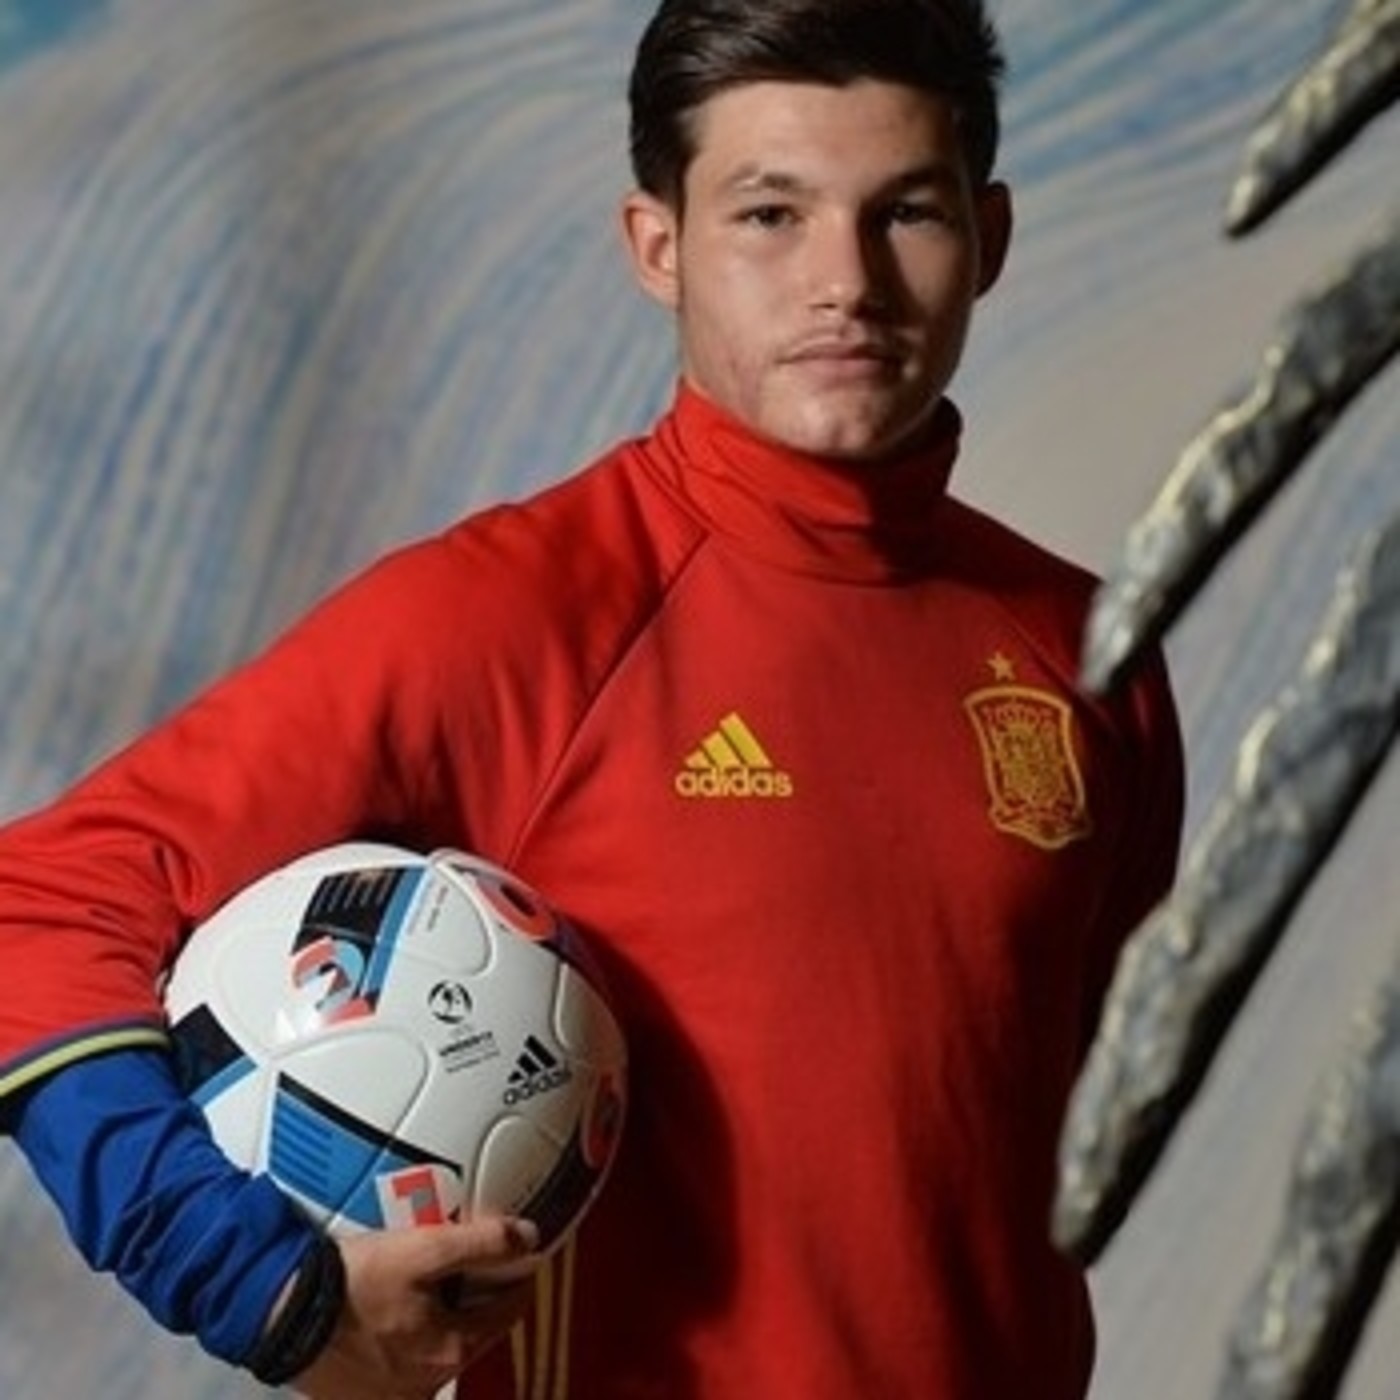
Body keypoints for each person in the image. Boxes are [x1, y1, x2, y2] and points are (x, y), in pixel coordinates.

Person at [0, 1, 1185, 1396]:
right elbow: (35, 912)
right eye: (771, 215)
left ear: (988, 236)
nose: (845, 282)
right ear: (658, 246)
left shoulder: (1090, 650)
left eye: (906, 213)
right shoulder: (519, 613)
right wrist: (259, 1285)